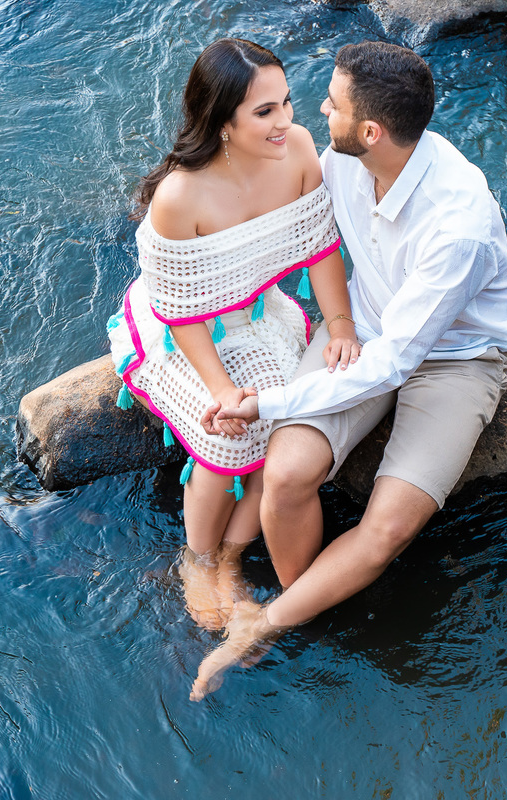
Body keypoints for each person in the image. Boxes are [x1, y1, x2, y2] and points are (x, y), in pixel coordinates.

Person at [191, 41, 507, 700]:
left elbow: (397, 363)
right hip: (366, 332)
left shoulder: (455, 223)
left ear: (370, 130)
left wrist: (266, 403)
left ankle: (269, 622)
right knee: (287, 473)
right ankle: (308, 596)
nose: (318, 109)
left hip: (455, 362)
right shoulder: (347, 160)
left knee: (388, 528)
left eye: (332, 103)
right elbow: (292, 225)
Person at [106, 39, 360, 634]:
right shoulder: (180, 197)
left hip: (259, 316)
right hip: (181, 333)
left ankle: (229, 557)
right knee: (221, 437)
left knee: (274, 426)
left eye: (287, 103)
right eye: (264, 112)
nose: (286, 122)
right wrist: (221, 390)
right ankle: (196, 558)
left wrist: (341, 325)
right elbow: (181, 315)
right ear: (222, 121)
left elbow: (321, 246)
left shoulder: (298, 153)